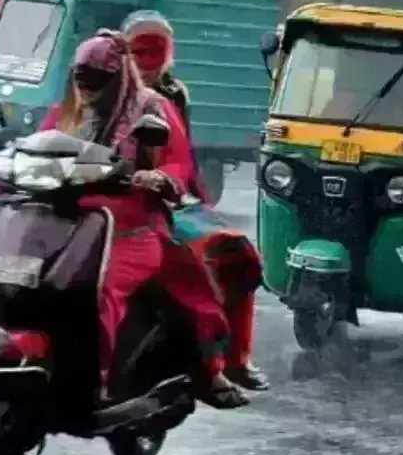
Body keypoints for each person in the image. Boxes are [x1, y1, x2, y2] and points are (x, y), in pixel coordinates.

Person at [37, 30, 250, 410]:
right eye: (81, 77)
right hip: (65, 222)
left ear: (119, 75)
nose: (86, 87)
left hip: (130, 224)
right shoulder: (65, 111)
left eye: (97, 79)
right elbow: (37, 147)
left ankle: (94, 380)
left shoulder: (153, 108)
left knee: (98, 288)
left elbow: (178, 162)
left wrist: (159, 177)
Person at [122, 10, 269, 391]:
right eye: (138, 51)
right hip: (105, 194)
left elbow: (179, 152)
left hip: (161, 197)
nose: (146, 62)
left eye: (156, 51)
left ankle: (232, 357)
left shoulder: (171, 97)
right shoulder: (101, 89)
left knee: (235, 253)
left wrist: (171, 184)